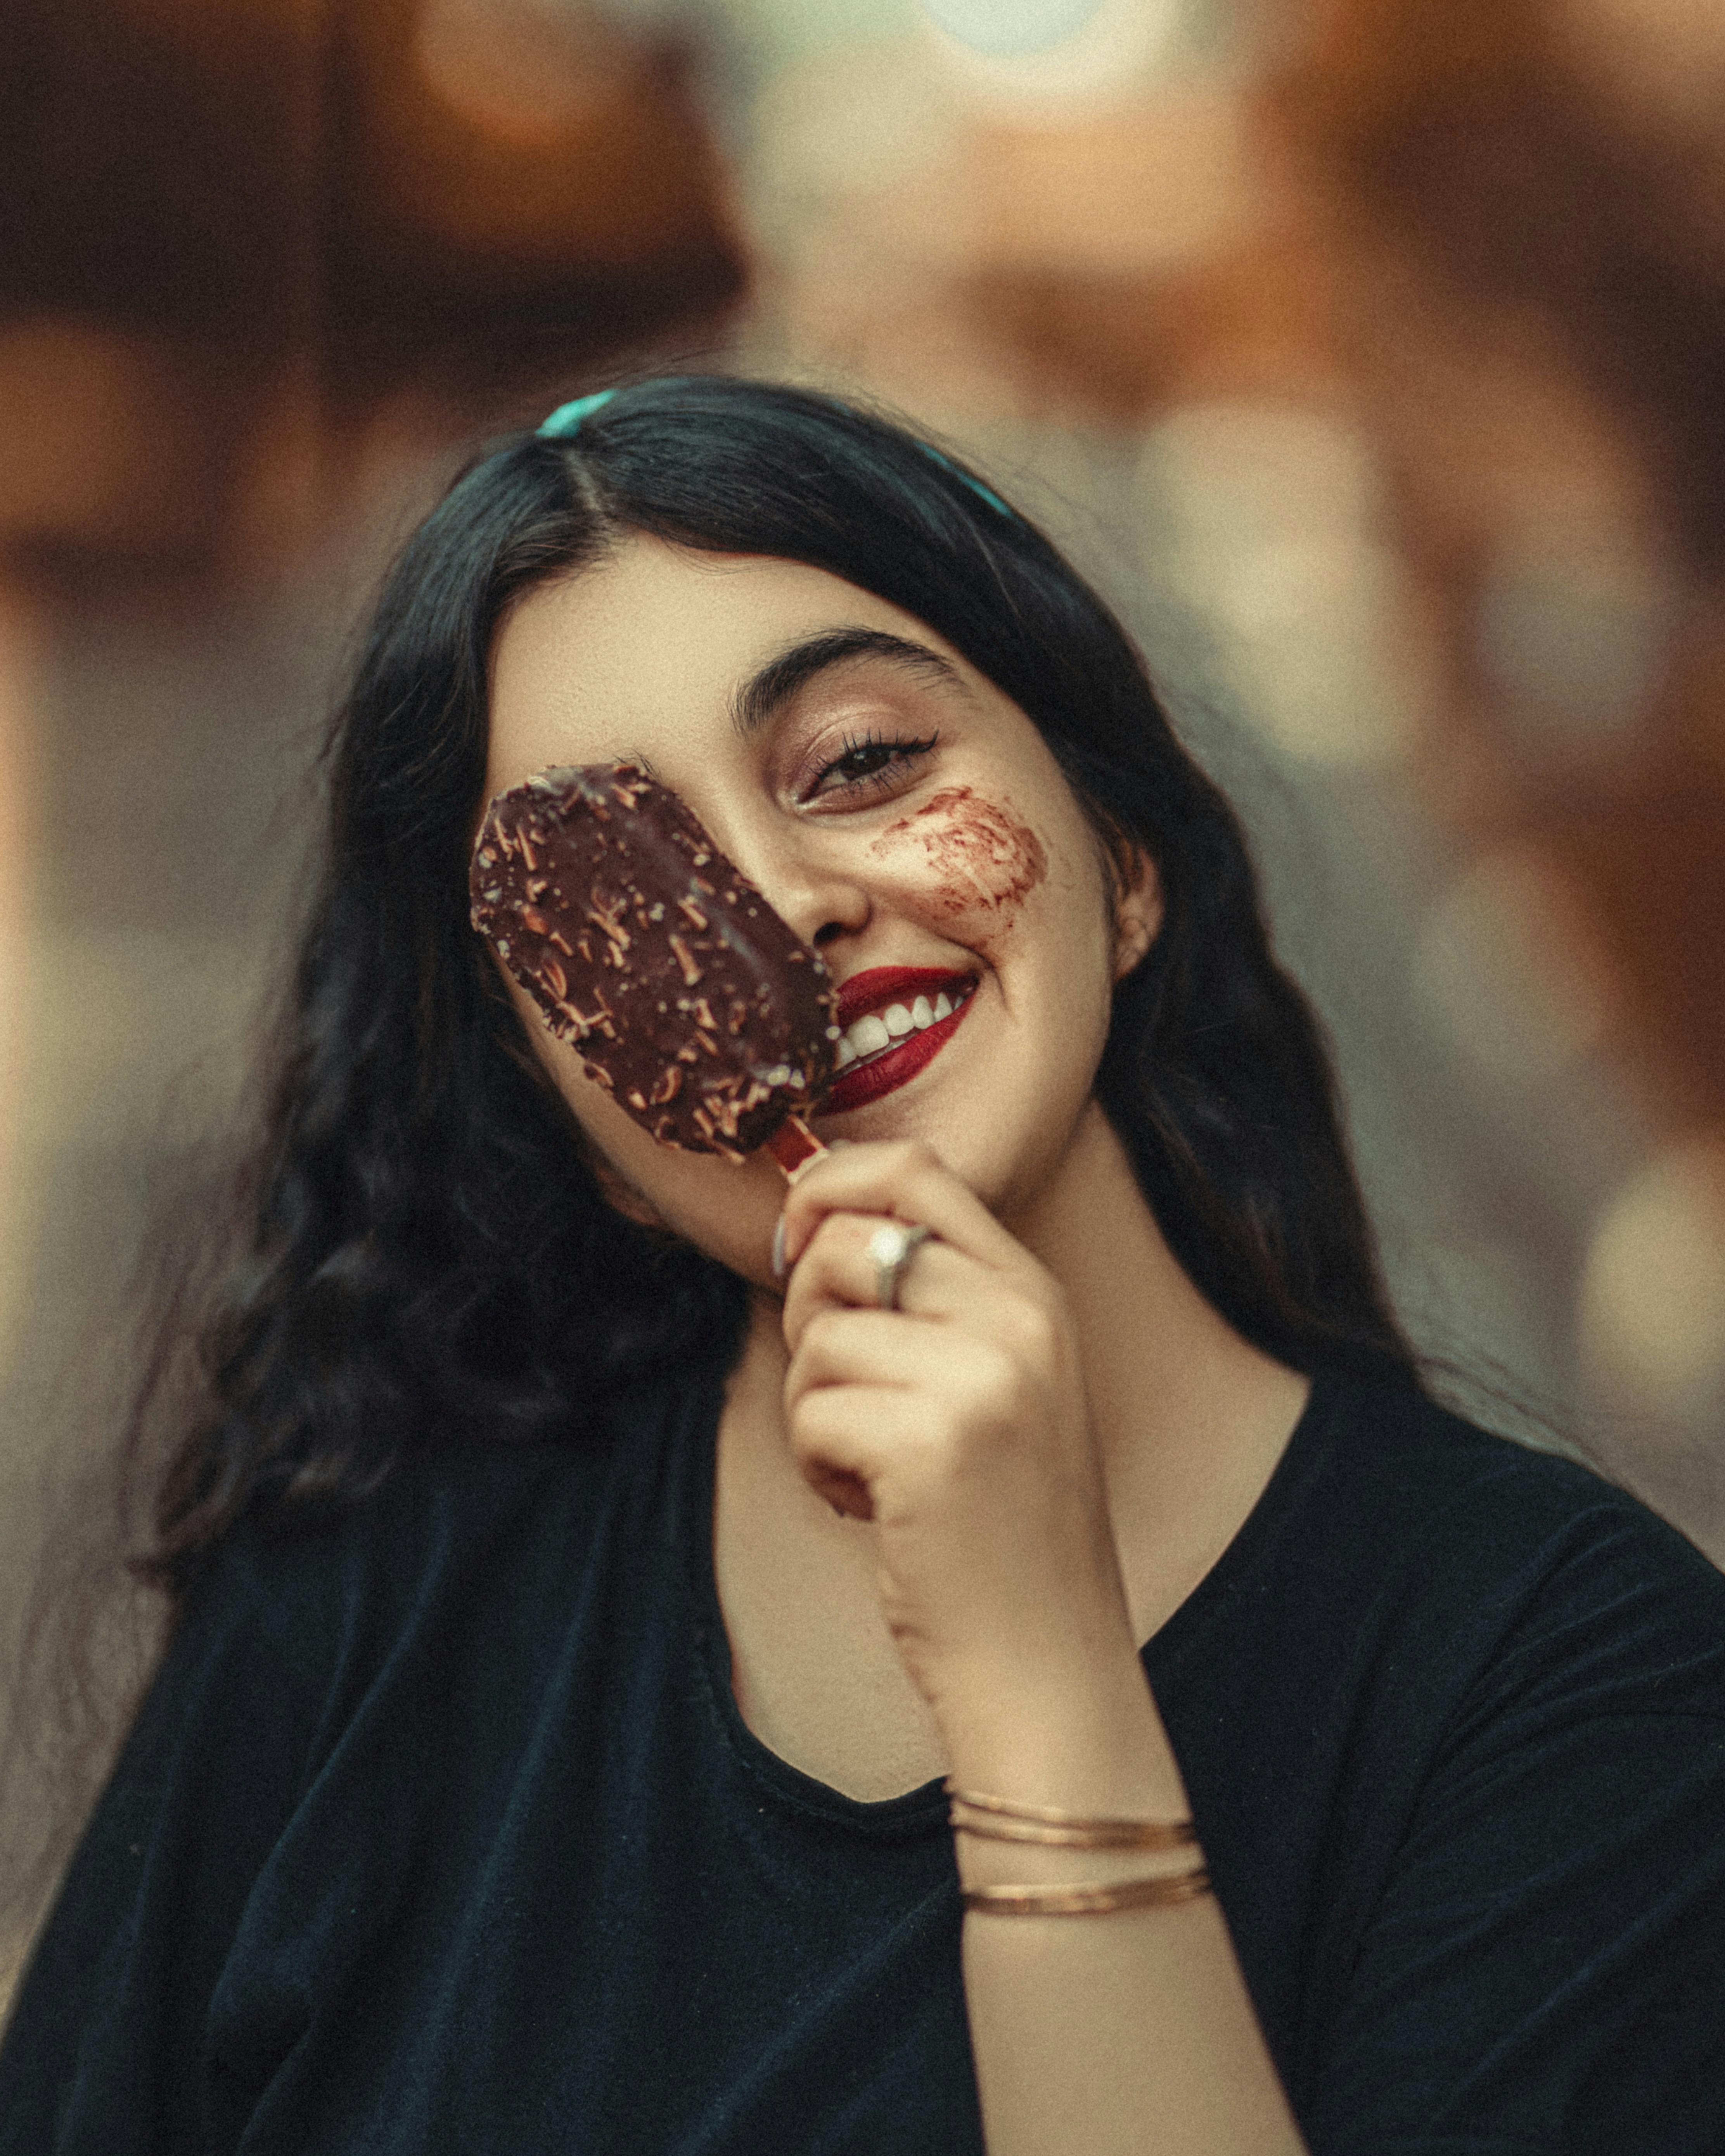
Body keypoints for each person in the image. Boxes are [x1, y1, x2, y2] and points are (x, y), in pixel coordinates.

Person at [1, 376, 1721, 2155]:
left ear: (1122, 864)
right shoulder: (370, 1594)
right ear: (581, 1136)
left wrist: (1041, 1689)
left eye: (859, 762)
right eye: (613, 889)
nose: (767, 899)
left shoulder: (1568, 1683)